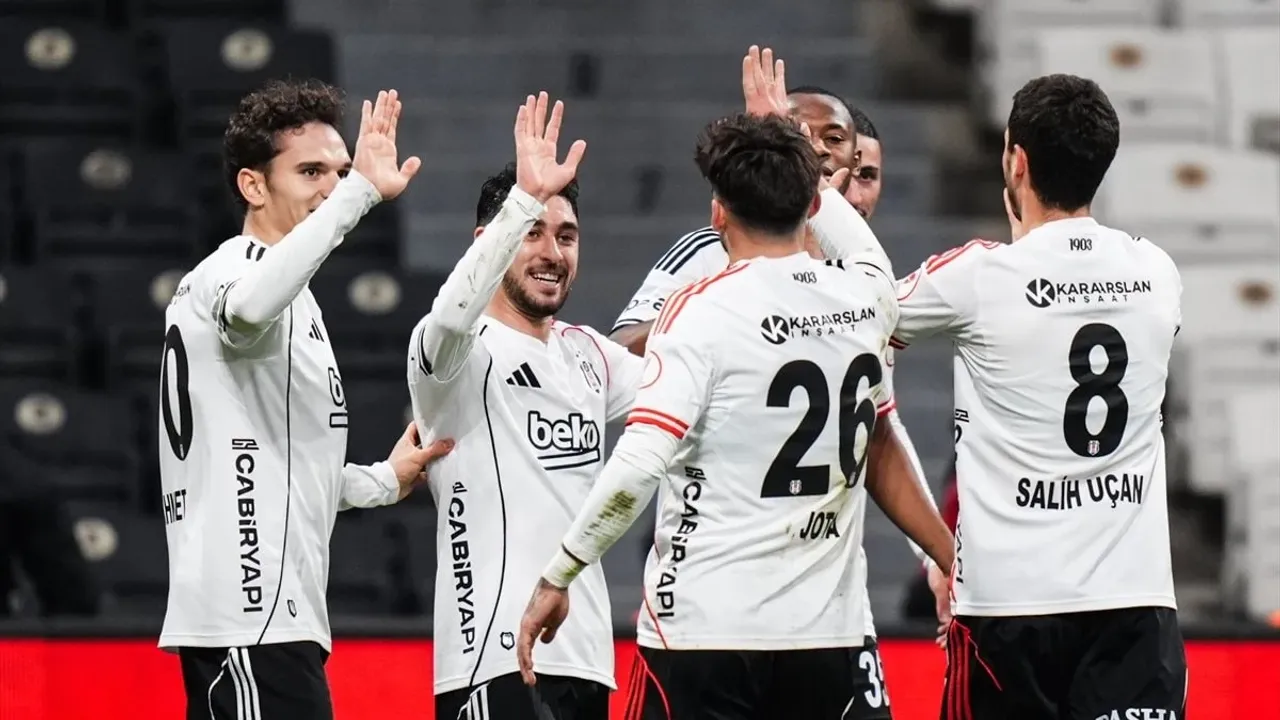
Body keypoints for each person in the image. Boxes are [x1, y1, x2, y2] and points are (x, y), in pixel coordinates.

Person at [517, 111, 955, 719]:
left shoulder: (700, 310)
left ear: (718, 214)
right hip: (827, 636)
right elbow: (879, 430)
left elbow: (639, 465)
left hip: (706, 631)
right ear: (813, 204)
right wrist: (951, 557)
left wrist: (560, 573)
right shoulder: (868, 297)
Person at [839, 74, 1186, 719]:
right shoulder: (1156, 272)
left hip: (1008, 610)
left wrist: (816, 200)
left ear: (1016, 161)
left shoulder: (979, 276)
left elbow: (857, 312)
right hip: (1135, 608)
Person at [158, 79, 453, 720]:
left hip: (275, 617)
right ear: (253, 186)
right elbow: (246, 310)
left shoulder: (296, 298)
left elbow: (284, 468)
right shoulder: (232, 272)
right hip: (248, 613)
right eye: (311, 172)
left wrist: (382, 481)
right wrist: (359, 194)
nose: (332, 187)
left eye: (341, 171)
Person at [408, 92, 643, 720]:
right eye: (531, 233)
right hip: (490, 659)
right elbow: (450, 314)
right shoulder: (453, 353)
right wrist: (523, 201)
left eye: (566, 236)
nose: (552, 253)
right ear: (488, 241)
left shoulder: (589, 354)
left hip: (586, 658)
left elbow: (686, 391)